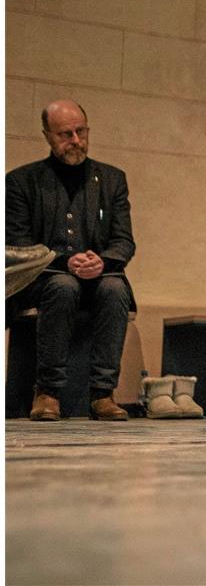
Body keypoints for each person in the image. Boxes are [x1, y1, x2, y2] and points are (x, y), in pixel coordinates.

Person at [6, 99, 135, 421]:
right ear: (48, 136)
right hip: (43, 278)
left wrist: (103, 261)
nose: (75, 140)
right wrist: (66, 262)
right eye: (65, 134)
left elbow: (124, 240)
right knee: (63, 286)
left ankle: (102, 394)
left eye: (80, 131)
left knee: (116, 290)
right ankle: (47, 392)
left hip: (99, 273)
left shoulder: (112, 179)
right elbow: (17, 244)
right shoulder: (21, 182)